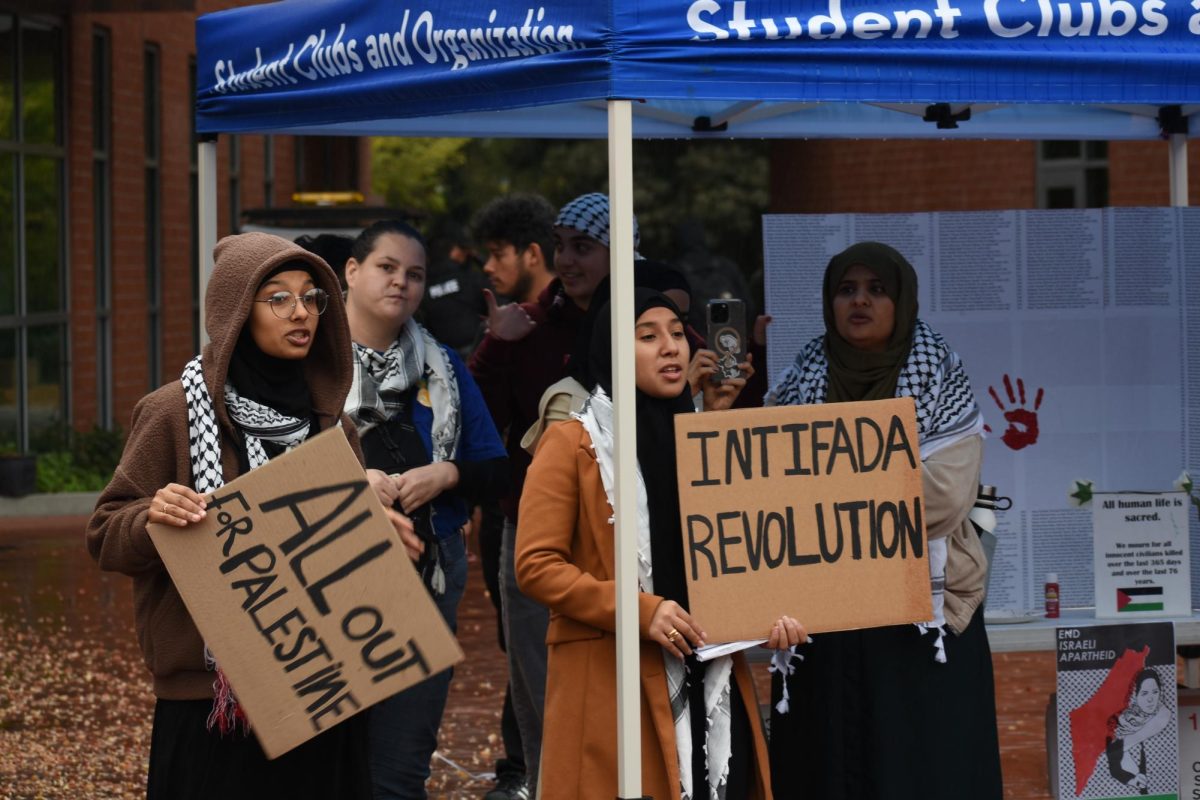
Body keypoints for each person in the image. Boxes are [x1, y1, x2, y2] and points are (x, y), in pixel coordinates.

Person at [86, 232, 420, 799]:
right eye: (279, 298)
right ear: (237, 311)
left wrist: (372, 538)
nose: (302, 313)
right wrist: (151, 517)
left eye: (313, 298)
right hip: (213, 709)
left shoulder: (328, 424)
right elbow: (105, 535)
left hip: (326, 687)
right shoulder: (173, 414)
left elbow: (335, 554)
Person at [516, 288, 803, 800]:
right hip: (614, 678)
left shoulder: (703, 439)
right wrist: (637, 610)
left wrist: (769, 612)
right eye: (647, 336)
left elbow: (737, 559)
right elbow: (536, 565)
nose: (671, 347)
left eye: (677, 333)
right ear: (610, 350)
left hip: (708, 669)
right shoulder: (572, 441)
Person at [765, 241, 1003, 800]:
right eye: (847, 290)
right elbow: (767, 489)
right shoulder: (803, 374)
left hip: (920, 621)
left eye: (876, 289)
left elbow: (942, 499)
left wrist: (823, 486)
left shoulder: (938, 375)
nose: (860, 301)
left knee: (922, 767)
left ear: (902, 299)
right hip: (826, 619)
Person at [468, 191, 630, 794]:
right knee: (541, 687)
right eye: (560, 245)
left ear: (622, 251)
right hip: (538, 534)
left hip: (629, 535)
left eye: (582, 246)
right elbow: (477, 419)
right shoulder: (529, 324)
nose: (566, 259)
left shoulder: (652, 321)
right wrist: (495, 343)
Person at [341, 219, 508, 799]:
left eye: (415, 274)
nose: (402, 283)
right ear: (352, 271)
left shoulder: (444, 366)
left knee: (399, 765)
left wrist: (447, 473)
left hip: (428, 573)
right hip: (329, 577)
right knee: (326, 758)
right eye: (387, 268)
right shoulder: (307, 361)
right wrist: (350, 484)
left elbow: (499, 469)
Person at [468, 191, 558, 799]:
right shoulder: (512, 328)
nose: (489, 268)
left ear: (531, 252)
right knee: (523, 653)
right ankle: (528, 772)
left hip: (590, 517)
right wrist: (497, 341)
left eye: (498, 254)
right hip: (519, 512)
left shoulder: (589, 318)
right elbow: (473, 418)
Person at [1105, 669, 1170, 794]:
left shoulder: (1163, 715)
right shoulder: (1120, 720)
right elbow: (1114, 766)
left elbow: (1115, 750)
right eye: (1144, 693)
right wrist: (1131, 780)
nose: (1151, 699)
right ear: (1135, 695)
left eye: (1155, 692)